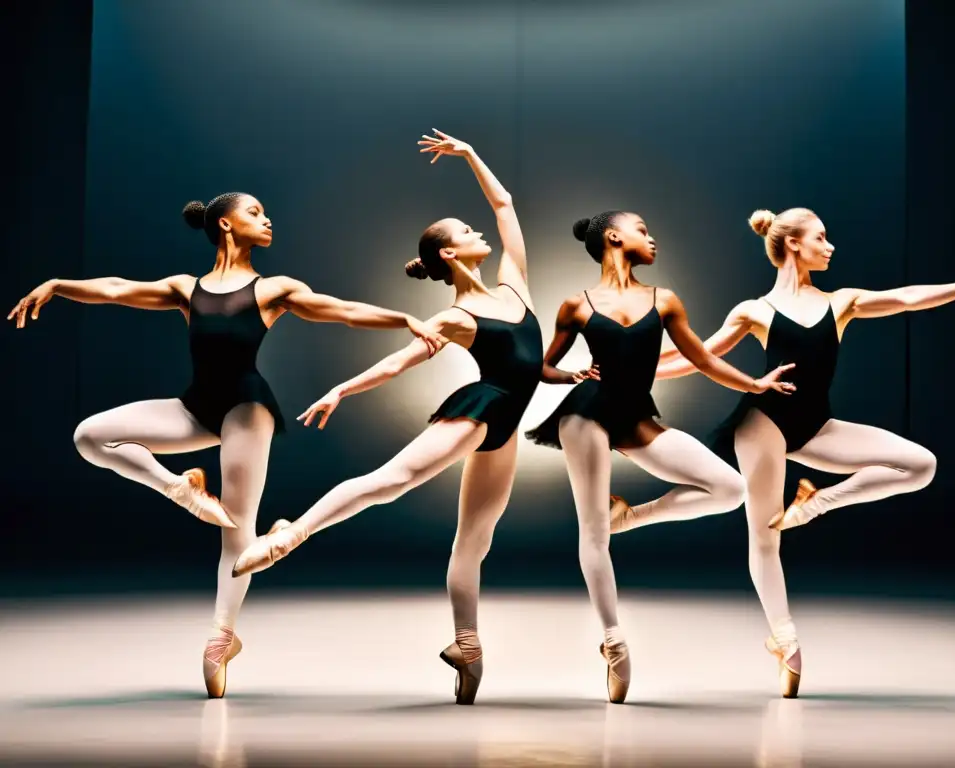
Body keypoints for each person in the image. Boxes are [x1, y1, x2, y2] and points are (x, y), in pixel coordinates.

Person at [7, 192, 444, 698]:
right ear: (225, 224)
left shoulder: (273, 289)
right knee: (90, 435)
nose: (268, 218)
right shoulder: (183, 288)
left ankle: (220, 637)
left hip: (245, 409)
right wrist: (59, 285)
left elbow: (341, 310)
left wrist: (404, 319)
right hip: (196, 407)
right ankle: (179, 488)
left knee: (237, 532)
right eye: (255, 212)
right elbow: (115, 289)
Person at [230, 131, 544, 706]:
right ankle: (287, 539)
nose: (479, 233)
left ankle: (466, 647)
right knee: (391, 482)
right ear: (450, 254)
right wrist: (341, 390)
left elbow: (505, 208)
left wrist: (470, 154)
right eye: (465, 232)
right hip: (481, 408)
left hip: (508, 426)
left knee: (473, 541)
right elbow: (398, 363)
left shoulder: (514, 283)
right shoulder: (455, 316)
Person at [655, 207, 955, 698]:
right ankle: (785, 640)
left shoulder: (841, 302)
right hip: (763, 422)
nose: (830, 247)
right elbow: (698, 358)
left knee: (920, 464)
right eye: (821, 238)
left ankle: (817, 502)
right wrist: (627, 366)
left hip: (815, 425)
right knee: (764, 536)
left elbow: (905, 299)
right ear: (792, 245)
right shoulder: (754, 311)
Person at [525, 210, 795, 703]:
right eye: (643, 231)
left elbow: (704, 359)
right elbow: (543, 365)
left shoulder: (664, 300)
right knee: (591, 532)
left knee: (729, 488)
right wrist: (569, 378)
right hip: (584, 414)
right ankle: (613, 641)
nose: (653, 239)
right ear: (613, 237)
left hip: (636, 416)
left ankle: (628, 518)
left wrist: (755, 383)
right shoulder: (576, 305)